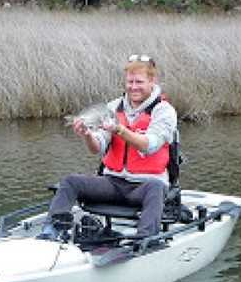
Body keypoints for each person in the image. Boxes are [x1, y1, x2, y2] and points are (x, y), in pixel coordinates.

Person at [41, 54, 177, 240]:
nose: (133, 87)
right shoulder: (112, 107)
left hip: (145, 185)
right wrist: (88, 135)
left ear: (152, 80)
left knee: (156, 188)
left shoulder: (164, 111)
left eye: (139, 82)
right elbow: (97, 147)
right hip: (113, 182)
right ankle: (51, 230)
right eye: (130, 81)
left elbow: (149, 146)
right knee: (70, 181)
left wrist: (120, 130)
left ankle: (144, 241)